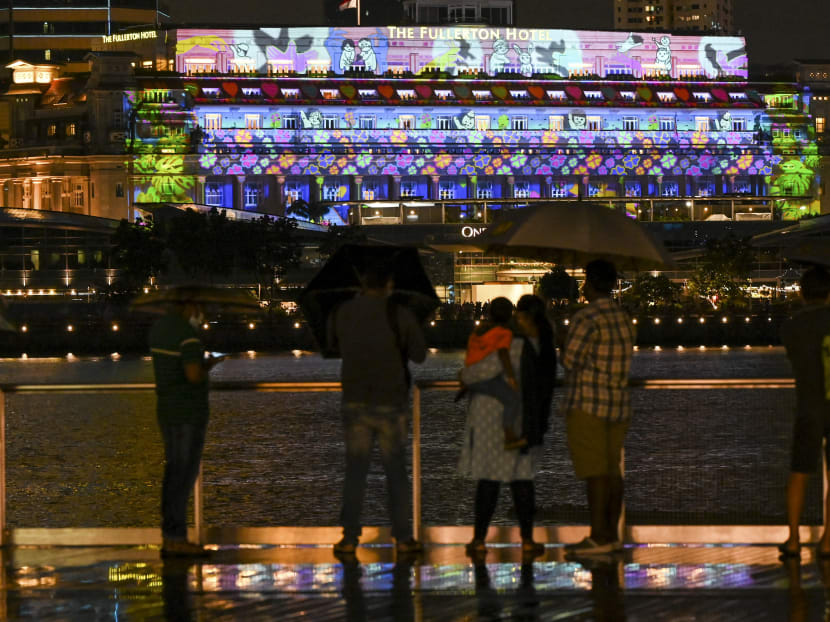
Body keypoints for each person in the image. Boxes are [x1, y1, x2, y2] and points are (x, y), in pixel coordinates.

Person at [330, 262, 427, 557]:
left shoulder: (343, 312)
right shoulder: (399, 314)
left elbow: (332, 344)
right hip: (391, 401)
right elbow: (420, 355)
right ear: (388, 284)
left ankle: (349, 538)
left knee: (355, 472)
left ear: (362, 283)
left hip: (355, 399)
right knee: (395, 473)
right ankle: (403, 537)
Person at [460, 294, 556, 558]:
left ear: (523, 317)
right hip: (527, 421)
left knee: (489, 482)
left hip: (492, 421)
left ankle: (479, 540)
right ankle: (527, 540)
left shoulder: (509, 343)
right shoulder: (544, 347)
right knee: (522, 482)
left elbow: (474, 374)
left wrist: (464, 375)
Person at [562, 259, 635, 555]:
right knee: (612, 472)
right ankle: (611, 534)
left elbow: (570, 360)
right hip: (618, 404)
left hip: (588, 403)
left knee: (594, 473)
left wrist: (561, 342)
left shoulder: (586, 317)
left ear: (588, 282)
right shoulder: (623, 317)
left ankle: (598, 536)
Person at [149, 300, 223, 557]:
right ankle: (176, 538)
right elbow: (192, 374)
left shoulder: (160, 329)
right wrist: (208, 364)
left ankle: (170, 537)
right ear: (190, 306)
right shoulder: (187, 334)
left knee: (173, 474)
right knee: (183, 476)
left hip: (167, 411)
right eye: (200, 308)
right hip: (188, 414)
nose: (202, 313)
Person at [778, 266, 830, 558]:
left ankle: (794, 539)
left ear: (801, 292)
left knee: (799, 472)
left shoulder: (792, 327)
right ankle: (827, 541)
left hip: (808, 406)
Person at [458, 297, 525, 449]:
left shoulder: (479, 330)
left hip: (470, 374)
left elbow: (471, 353)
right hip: (484, 378)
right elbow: (503, 354)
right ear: (510, 315)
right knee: (512, 399)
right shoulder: (503, 333)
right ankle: (509, 435)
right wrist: (511, 377)